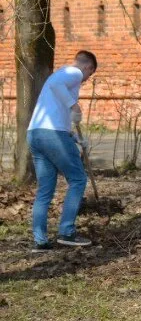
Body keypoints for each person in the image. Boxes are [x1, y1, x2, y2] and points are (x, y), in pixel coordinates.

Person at [28, 50, 98, 251]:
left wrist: (75, 138)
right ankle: (67, 232)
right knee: (78, 179)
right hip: (52, 135)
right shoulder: (73, 73)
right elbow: (56, 86)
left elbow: (56, 113)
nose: (85, 80)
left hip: (36, 133)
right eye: (89, 75)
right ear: (88, 68)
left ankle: (40, 241)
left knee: (45, 190)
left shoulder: (60, 74)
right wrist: (74, 105)